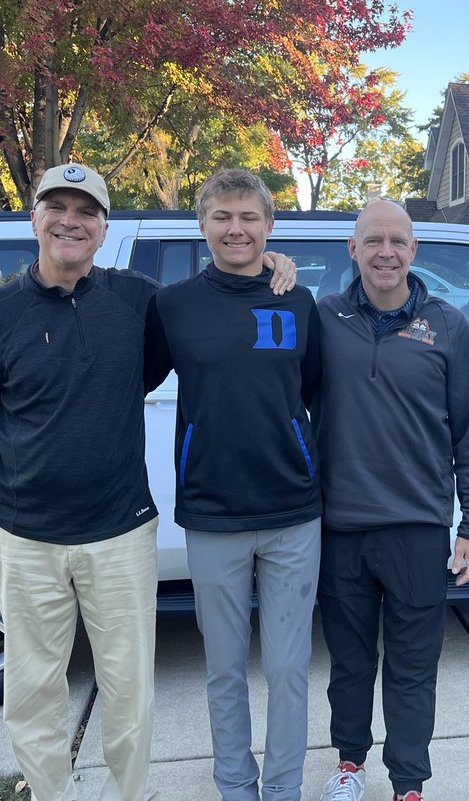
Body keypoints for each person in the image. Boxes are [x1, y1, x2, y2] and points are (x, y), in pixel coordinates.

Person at [0, 163, 294, 801]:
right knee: (32, 687)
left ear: (104, 227)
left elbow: (210, 303)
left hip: (120, 530)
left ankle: (128, 793)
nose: (71, 221)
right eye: (57, 207)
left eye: (86, 211)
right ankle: (52, 793)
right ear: (35, 218)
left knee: (129, 687)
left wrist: (269, 263)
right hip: (27, 537)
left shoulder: (138, 299)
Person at [146, 169, 321, 801]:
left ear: (270, 226)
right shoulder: (173, 305)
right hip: (212, 513)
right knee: (224, 669)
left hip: (292, 511)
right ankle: (235, 786)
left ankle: (283, 789)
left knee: (287, 667)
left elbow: (310, 392)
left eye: (249, 217)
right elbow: (130, 376)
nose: (236, 229)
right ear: (202, 225)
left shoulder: (298, 300)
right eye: (222, 216)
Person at [313, 201, 469, 801]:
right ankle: (349, 766)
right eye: (373, 241)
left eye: (397, 241)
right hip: (341, 527)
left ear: (414, 251)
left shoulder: (448, 326)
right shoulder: (324, 318)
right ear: (353, 249)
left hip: (418, 528)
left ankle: (408, 784)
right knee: (349, 664)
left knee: (413, 668)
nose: (385, 252)